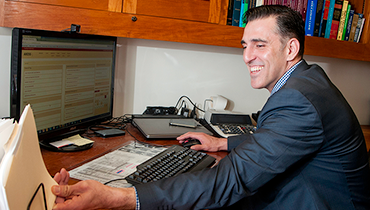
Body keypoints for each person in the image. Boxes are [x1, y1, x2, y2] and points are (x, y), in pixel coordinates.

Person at [51, 5, 370, 210]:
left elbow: (233, 179)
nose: (247, 57)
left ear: (291, 48)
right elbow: (277, 141)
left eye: (260, 45)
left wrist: (122, 198)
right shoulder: (307, 82)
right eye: (245, 46)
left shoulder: (298, 99)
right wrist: (224, 142)